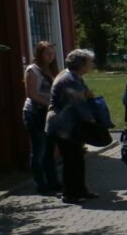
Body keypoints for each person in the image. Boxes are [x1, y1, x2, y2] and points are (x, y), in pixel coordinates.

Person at [46, 49, 99, 205]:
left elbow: (86, 95)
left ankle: (81, 190)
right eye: (89, 62)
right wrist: (93, 121)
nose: (91, 65)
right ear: (81, 64)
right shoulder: (69, 79)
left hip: (71, 126)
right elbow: (79, 103)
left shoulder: (75, 77)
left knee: (78, 159)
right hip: (62, 126)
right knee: (71, 160)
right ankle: (69, 194)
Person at [22, 41, 60, 193]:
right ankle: (40, 183)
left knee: (50, 150)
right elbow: (32, 94)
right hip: (35, 113)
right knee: (38, 150)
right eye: (47, 53)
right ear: (39, 54)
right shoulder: (32, 70)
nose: (50, 57)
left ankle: (53, 181)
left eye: (52, 53)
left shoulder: (52, 69)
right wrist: (48, 104)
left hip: (49, 114)